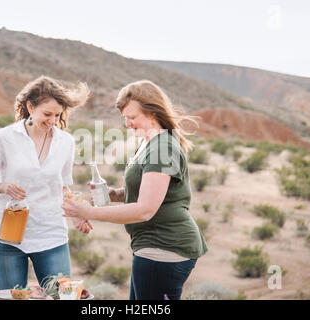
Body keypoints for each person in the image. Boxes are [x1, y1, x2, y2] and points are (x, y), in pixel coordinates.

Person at [62, 80, 208, 300]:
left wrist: (88, 212)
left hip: (164, 249)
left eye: (132, 117)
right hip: (154, 247)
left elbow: (145, 210)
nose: (128, 124)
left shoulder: (163, 147)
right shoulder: (150, 143)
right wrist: (115, 194)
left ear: (152, 113)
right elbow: (148, 191)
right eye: (125, 118)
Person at [0, 75, 92, 290]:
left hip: (52, 235)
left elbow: (64, 187)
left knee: (59, 297)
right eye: (47, 114)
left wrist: (76, 214)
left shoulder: (65, 142)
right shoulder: (2, 138)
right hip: (7, 238)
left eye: (58, 115)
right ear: (30, 106)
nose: (53, 121)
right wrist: (2, 186)